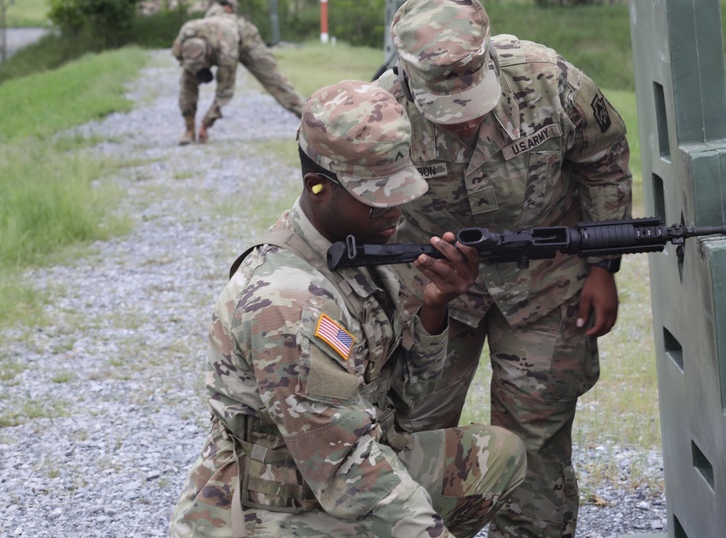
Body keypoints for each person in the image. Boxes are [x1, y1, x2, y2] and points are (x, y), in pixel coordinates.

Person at [170, 80, 527, 538]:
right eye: (376, 195)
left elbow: (407, 407)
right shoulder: (288, 303)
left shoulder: (355, 256)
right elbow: (347, 469)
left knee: (494, 455)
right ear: (316, 186)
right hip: (279, 507)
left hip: (334, 471)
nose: (395, 208)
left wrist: (435, 309)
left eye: (399, 188)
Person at [375, 0, 633, 537]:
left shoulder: (551, 81)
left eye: (473, 102)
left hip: (545, 282)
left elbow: (603, 163)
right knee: (412, 426)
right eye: (447, 111)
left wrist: (601, 266)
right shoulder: (379, 113)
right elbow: (357, 210)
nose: (465, 121)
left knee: (535, 435)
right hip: (433, 292)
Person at [205, 0, 305, 120]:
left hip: (241, 46)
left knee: (224, 83)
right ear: (228, 8)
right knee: (277, 83)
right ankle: (307, 115)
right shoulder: (223, 17)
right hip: (246, 45)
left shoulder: (210, 16)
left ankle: (199, 123)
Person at [171, 15, 241, 145]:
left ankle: (291, 104)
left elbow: (225, 90)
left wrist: (206, 124)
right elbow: (179, 59)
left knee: (266, 70)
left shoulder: (226, 50)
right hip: (205, 43)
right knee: (187, 84)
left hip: (234, 32)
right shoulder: (185, 36)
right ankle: (189, 131)